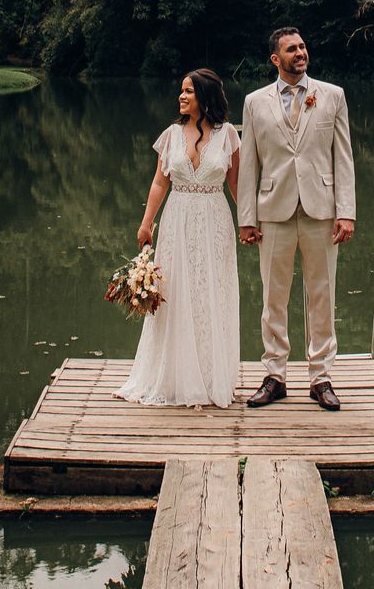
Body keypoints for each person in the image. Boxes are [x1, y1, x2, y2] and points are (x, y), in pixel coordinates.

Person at [236, 26, 356, 412]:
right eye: (291, 49)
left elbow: (343, 158)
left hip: (321, 209)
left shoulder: (332, 95)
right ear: (276, 58)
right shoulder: (255, 102)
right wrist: (247, 217)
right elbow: (249, 163)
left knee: (323, 294)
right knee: (274, 297)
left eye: (303, 46)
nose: (300, 53)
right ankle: (275, 376)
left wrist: (346, 212)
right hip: (274, 210)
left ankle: (321, 378)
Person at [114, 68, 243, 407]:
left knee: (211, 292)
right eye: (181, 91)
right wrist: (146, 223)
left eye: (188, 91)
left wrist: (249, 222)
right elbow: (160, 182)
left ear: (206, 95)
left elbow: (236, 185)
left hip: (215, 220)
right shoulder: (171, 135)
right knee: (175, 292)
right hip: (176, 219)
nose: (181, 96)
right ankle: (173, 377)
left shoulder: (228, 135)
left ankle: (211, 377)